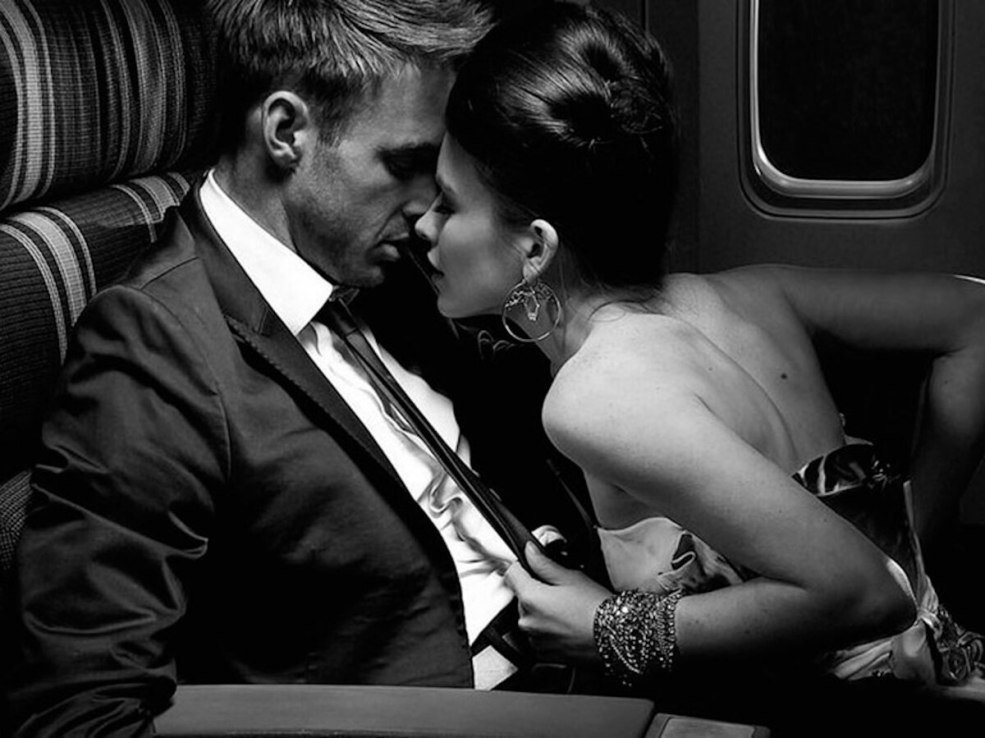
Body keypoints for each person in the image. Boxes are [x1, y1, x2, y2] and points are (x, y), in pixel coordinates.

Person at [5, 1, 593, 735]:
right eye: (405, 165)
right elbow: (74, 710)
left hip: (579, 647)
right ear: (287, 132)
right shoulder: (150, 347)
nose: (428, 207)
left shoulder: (387, 265)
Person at [413, 1, 985, 731]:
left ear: (536, 248)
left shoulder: (591, 395)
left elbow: (867, 594)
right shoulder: (754, 294)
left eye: (447, 203)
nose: (423, 225)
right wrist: (915, 541)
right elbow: (977, 316)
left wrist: (609, 628)